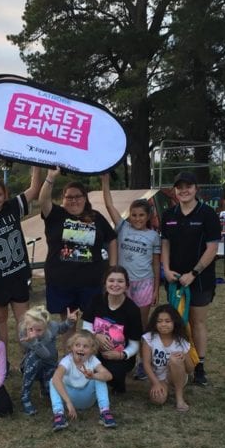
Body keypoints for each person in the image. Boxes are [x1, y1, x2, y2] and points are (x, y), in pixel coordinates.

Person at [39, 168, 117, 346]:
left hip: (91, 282)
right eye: (69, 197)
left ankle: (91, 358)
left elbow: (112, 239)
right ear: (63, 199)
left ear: (85, 198)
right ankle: (70, 361)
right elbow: (43, 200)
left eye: (78, 196)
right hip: (62, 282)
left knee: (93, 323)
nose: (74, 200)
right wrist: (50, 178)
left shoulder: (96, 218)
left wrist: (112, 269)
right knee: (69, 322)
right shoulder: (55, 215)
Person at [161, 171, 221, 386]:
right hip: (174, 279)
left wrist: (193, 274)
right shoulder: (168, 215)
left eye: (188, 186)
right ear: (175, 191)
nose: (184, 190)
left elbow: (212, 248)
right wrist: (166, 270)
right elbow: (165, 244)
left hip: (200, 279)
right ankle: (178, 362)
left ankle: (199, 366)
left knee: (197, 322)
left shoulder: (208, 214)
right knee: (176, 322)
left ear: (196, 189)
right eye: (179, 187)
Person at [0, 166, 43, 346]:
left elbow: (34, 190)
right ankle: (2, 361)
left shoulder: (12, 207)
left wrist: (35, 165)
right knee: (0, 322)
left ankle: (28, 361)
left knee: (24, 321)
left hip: (18, 275)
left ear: (5, 195)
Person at [102, 173, 161, 379]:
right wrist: (105, 180)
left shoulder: (154, 236)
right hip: (123, 284)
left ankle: (144, 365)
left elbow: (155, 263)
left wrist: (155, 289)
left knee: (141, 325)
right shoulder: (123, 228)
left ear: (148, 216)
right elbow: (109, 205)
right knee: (120, 323)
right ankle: (121, 357)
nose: (137, 219)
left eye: (141, 215)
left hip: (144, 283)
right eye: (134, 215)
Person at [82, 265, 143, 394]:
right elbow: (86, 327)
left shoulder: (132, 310)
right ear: (105, 283)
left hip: (118, 355)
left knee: (114, 374)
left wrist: (122, 355)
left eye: (120, 281)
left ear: (127, 285)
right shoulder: (96, 300)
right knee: (79, 361)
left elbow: (135, 344)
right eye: (111, 280)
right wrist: (96, 336)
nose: (115, 284)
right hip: (94, 349)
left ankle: (117, 384)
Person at [49, 330, 116, 431]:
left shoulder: (92, 360)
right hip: (70, 397)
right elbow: (56, 378)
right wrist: (68, 402)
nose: (81, 348)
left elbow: (109, 376)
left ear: (92, 350)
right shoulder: (67, 361)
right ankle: (59, 415)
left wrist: (93, 375)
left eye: (85, 346)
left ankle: (105, 412)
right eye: (77, 345)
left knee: (100, 378)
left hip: (87, 398)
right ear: (72, 347)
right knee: (53, 380)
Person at [19, 305, 79, 415]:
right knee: (34, 357)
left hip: (50, 364)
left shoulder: (52, 326)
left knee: (50, 388)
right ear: (26, 326)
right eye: (31, 329)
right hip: (31, 366)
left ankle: (45, 386)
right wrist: (33, 342)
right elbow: (44, 355)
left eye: (39, 330)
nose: (35, 333)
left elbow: (61, 328)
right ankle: (25, 395)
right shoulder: (24, 334)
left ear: (47, 326)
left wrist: (68, 322)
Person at [142, 304, 194, 412]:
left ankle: (179, 397)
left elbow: (190, 369)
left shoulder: (181, 341)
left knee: (175, 360)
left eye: (167, 321)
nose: (163, 324)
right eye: (159, 321)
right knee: (158, 400)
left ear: (174, 322)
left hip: (178, 375)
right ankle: (166, 389)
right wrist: (155, 383)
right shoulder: (149, 338)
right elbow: (146, 363)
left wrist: (185, 357)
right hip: (160, 378)